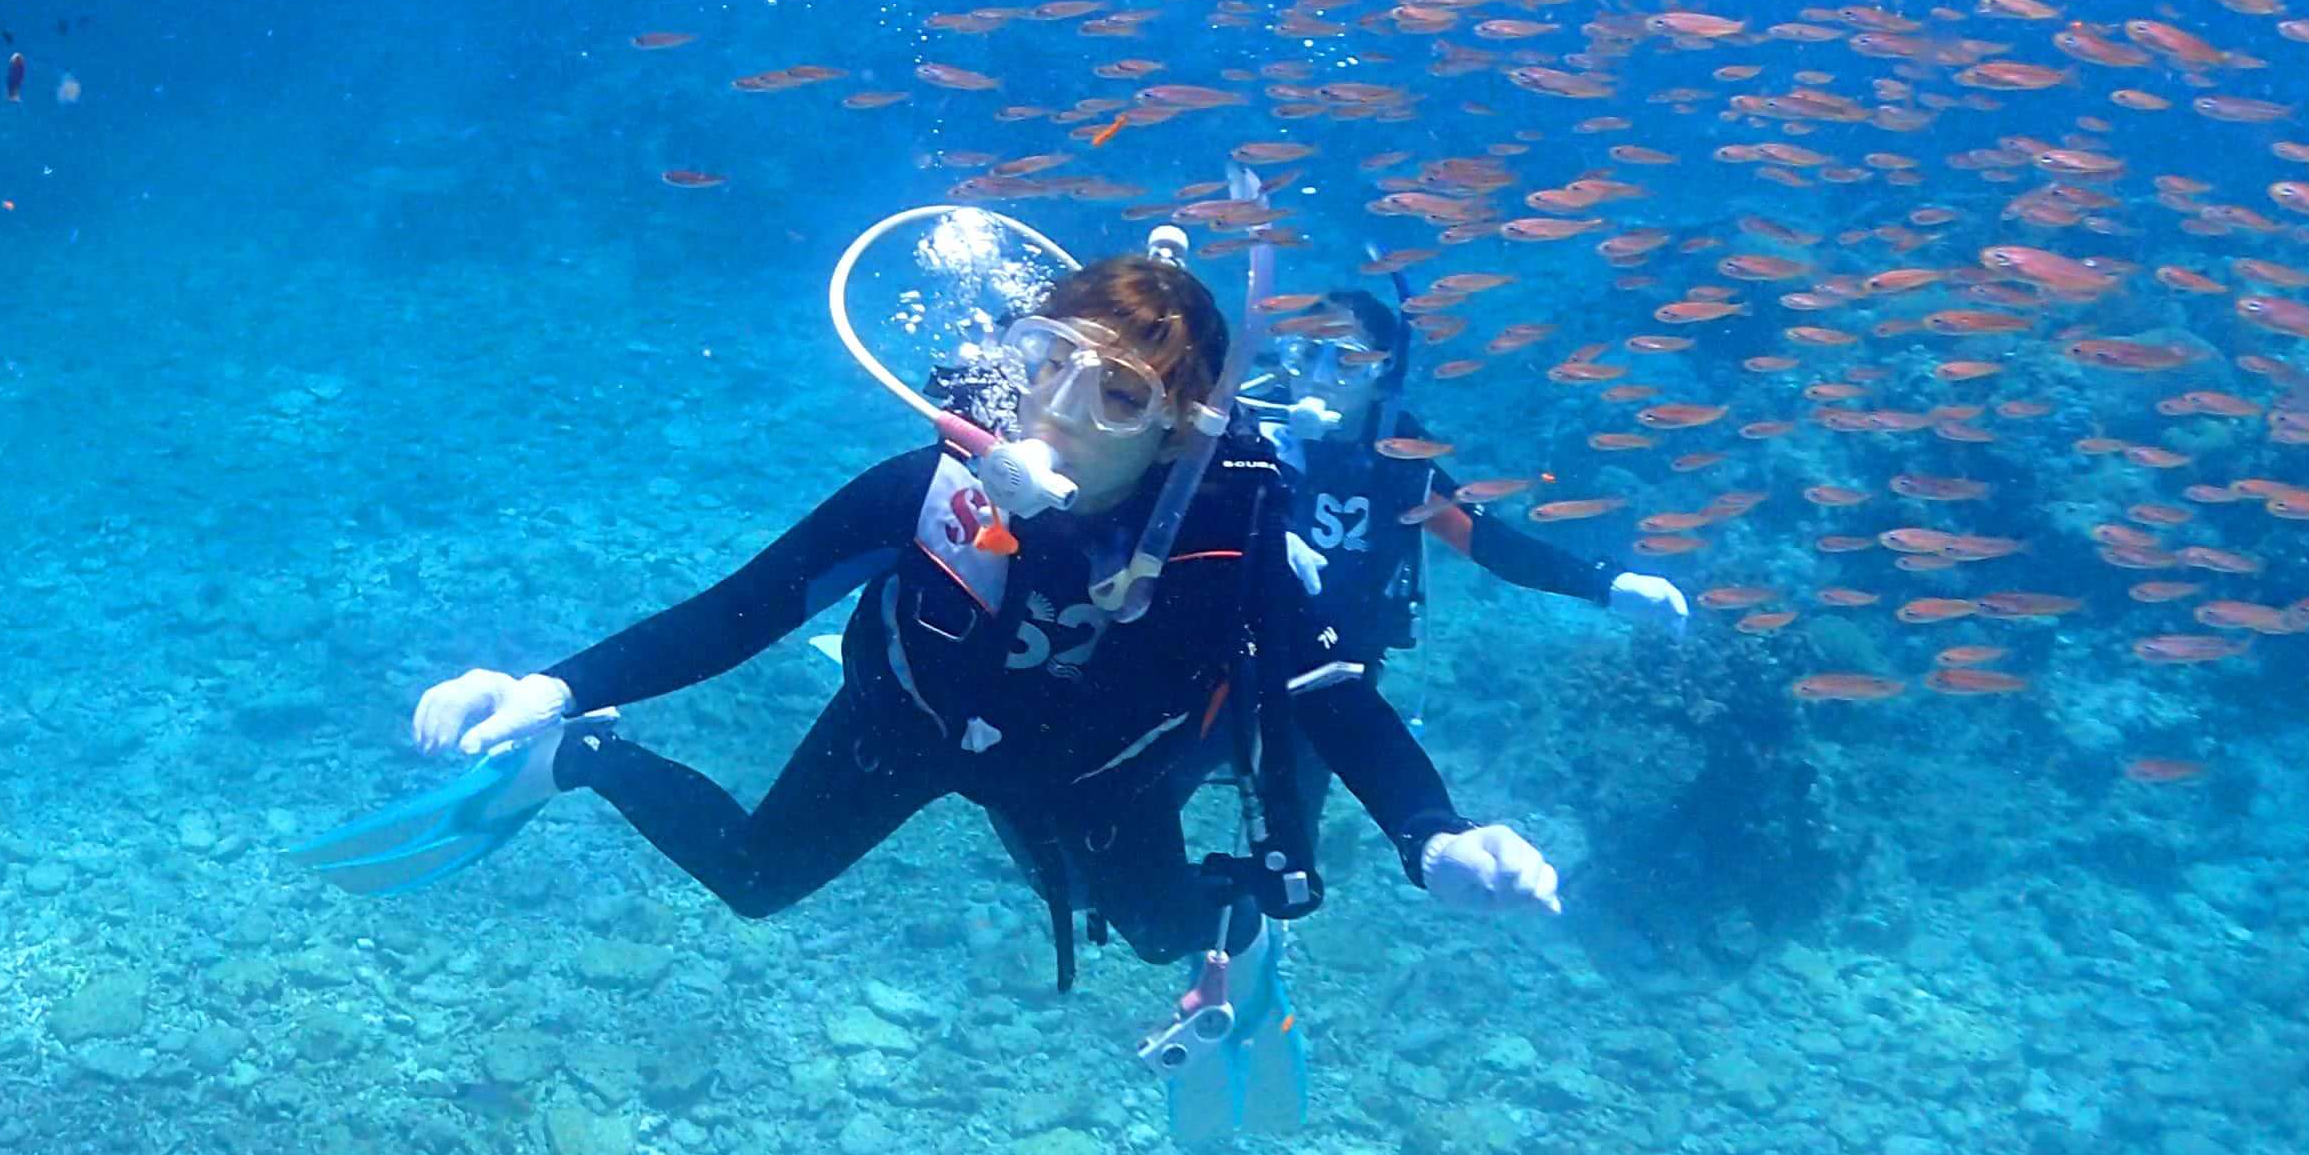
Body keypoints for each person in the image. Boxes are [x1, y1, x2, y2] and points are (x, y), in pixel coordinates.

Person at [317, 248, 1560, 1014]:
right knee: (756, 882)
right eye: (1042, 364)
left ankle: (1233, 956)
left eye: (1117, 393)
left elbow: (1333, 693)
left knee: (1162, 930)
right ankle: (577, 760)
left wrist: (1432, 836)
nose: (1061, 411)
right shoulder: (930, 489)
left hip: (1102, 781)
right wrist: (550, 687)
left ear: (1178, 429)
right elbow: (748, 608)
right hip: (908, 721)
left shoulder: (1222, 543)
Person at [1249, 283, 1693, 659]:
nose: (1320, 377)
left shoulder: (1398, 464)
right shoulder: (1243, 436)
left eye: (1347, 360)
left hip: (1336, 661)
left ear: (1384, 376)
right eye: (1306, 353)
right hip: (1231, 640)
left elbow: (1490, 545)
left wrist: (1608, 584)